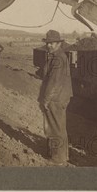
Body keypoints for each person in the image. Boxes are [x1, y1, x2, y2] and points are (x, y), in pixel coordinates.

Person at [38, 30, 72, 165]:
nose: (49, 46)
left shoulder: (58, 58)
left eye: (52, 43)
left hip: (55, 99)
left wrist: (46, 100)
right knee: (58, 127)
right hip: (59, 97)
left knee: (55, 128)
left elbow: (54, 82)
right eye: (48, 43)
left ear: (58, 43)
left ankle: (57, 158)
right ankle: (62, 156)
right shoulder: (57, 56)